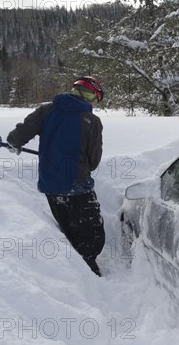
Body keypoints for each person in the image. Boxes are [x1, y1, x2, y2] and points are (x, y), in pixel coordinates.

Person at [7, 77, 106, 276]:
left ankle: (73, 268)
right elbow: (94, 160)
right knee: (91, 233)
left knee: (67, 228)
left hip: (50, 183)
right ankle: (88, 270)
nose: (94, 103)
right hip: (78, 185)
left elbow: (19, 135)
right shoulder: (91, 121)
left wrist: (14, 142)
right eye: (95, 98)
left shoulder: (46, 110)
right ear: (89, 96)